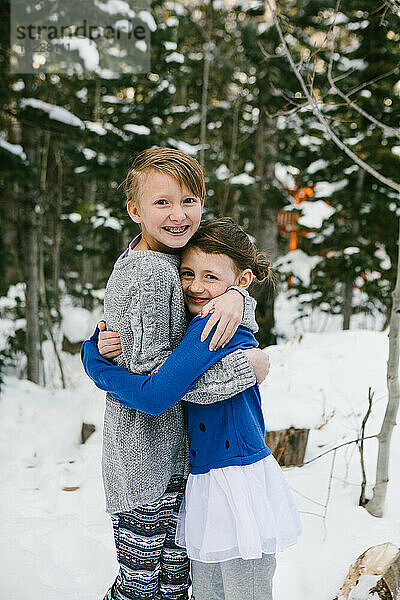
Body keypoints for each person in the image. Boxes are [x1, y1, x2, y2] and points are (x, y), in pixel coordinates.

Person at [81, 148, 270, 600]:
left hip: (166, 460)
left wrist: (238, 301)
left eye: (189, 200)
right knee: (144, 589)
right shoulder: (152, 274)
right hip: (147, 464)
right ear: (135, 210)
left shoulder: (166, 258)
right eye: (162, 202)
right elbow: (156, 390)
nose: (177, 213)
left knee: (168, 586)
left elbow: (221, 280)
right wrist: (245, 368)